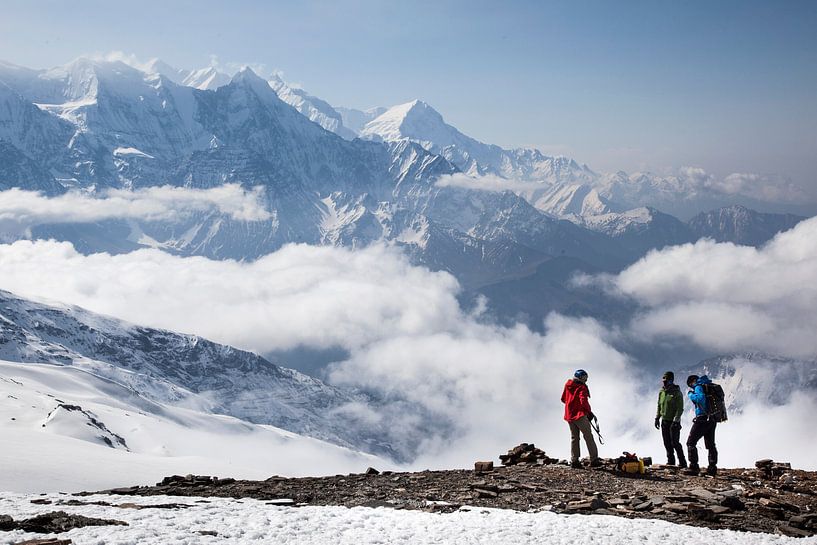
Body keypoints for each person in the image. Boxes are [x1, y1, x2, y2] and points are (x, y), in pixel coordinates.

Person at [561, 369, 601, 468]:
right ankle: (594, 459)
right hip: (580, 415)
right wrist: (588, 412)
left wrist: (571, 405)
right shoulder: (581, 387)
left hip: (569, 416)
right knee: (588, 437)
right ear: (580, 378)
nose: (586, 380)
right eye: (584, 378)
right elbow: (583, 401)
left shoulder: (568, 385)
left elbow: (563, 399)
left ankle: (574, 460)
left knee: (574, 438)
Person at [684, 374, 718, 476]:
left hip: (702, 419)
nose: (691, 387)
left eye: (690, 385)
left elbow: (700, 399)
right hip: (712, 419)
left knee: (690, 442)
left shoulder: (699, 387)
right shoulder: (708, 386)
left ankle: (694, 467)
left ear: (692, 381)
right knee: (710, 444)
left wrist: (690, 395)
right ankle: (712, 467)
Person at [654, 371, 687, 468]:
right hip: (664, 420)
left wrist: (676, 421)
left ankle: (682, 462)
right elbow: (659, 405)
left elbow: (679, 409)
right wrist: (657, 417)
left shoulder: (677, 393)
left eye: (666, 380)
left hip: (674, 422)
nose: (664, 382)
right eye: (663, 380)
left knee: (675, 442)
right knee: (667, 442)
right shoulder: (662, 392)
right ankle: (671, 461)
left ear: (671, 380)